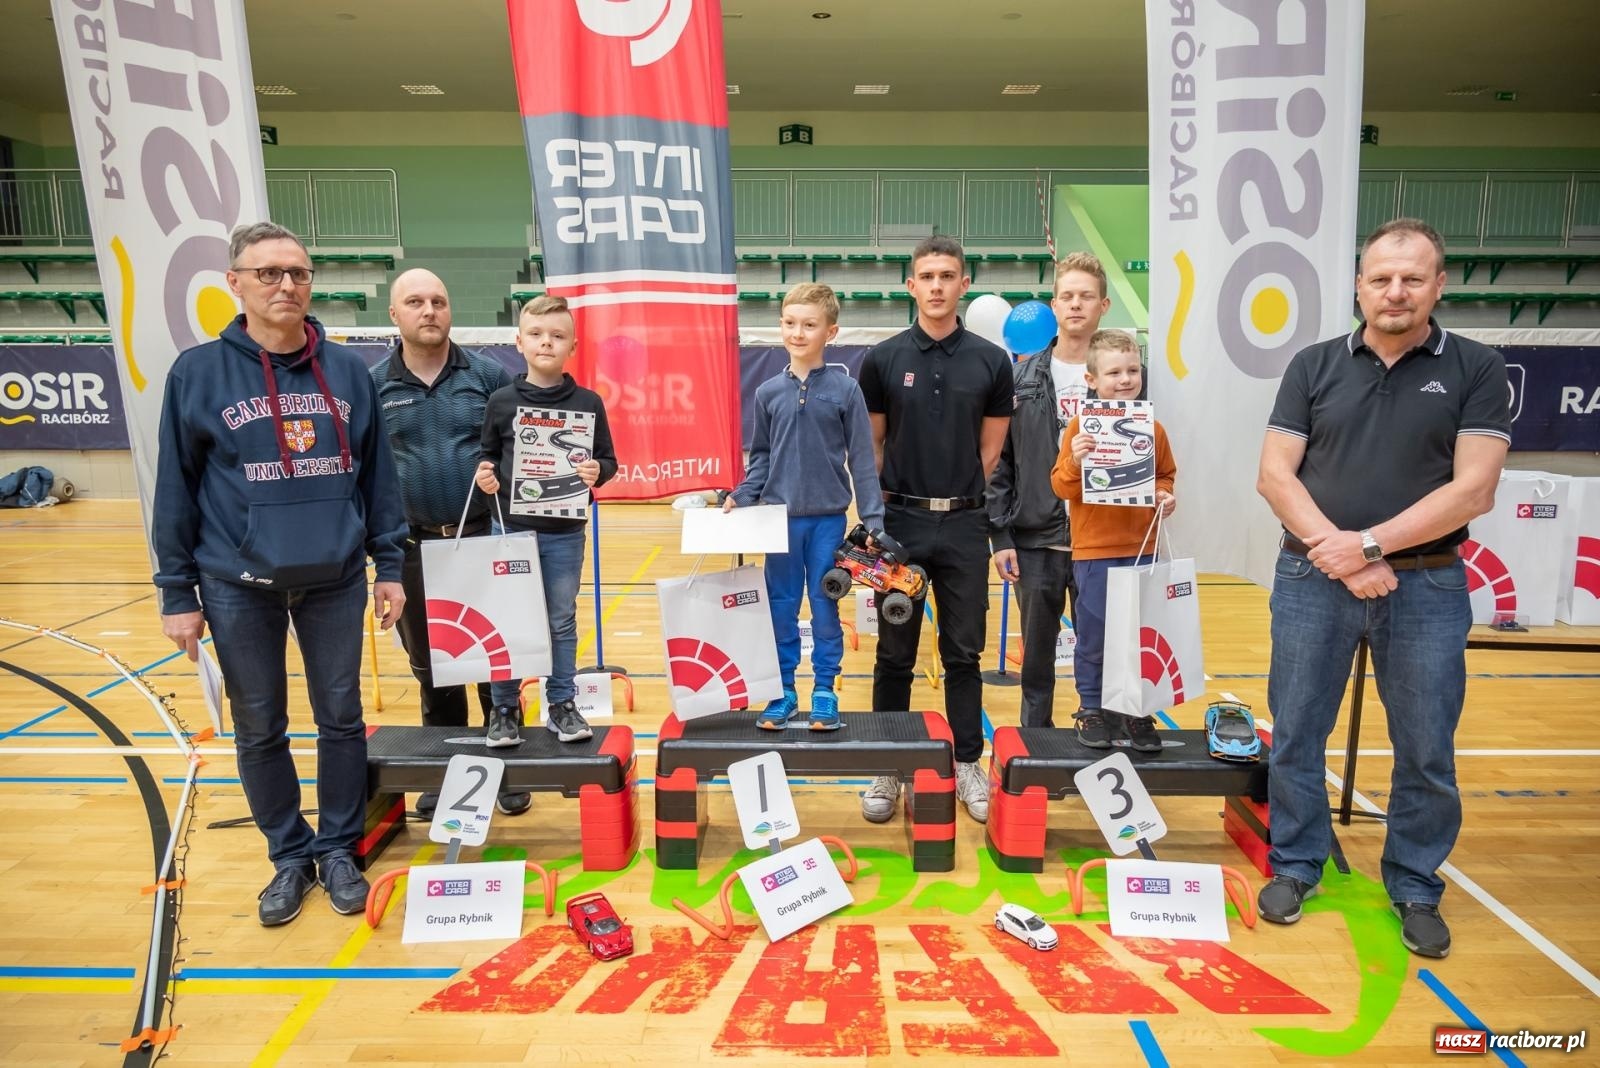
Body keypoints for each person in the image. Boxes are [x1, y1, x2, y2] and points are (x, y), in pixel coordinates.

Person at [1255, 218, 1509, 959]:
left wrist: (1368, 545)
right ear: (1359, 284)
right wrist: (1340, 556)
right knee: (1297, 731)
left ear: (1439, 284)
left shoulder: (1476, 367)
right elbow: (1275, 475)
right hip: (1311, 576)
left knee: (1426, 745)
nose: (1394, 291)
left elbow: (1475, 490)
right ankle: (1297, 863)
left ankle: (1415, 883)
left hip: (1425, 586)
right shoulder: (1312, 364)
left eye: (1412, 278)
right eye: (1380, 278)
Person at [152, 221, 408, 927]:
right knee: (259, 726)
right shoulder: (198, 373)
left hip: (334, 578)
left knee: (342, 720)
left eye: (297, 273)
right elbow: (174, 486)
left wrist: (390, 564)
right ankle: (288, 857)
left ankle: (337, 851)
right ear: (234, 284)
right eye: (268, 273)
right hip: (237, 583)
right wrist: (177, 591)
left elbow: (378, 478)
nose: (286, 285)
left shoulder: (350, 371)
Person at [856, 236, 1012, 824]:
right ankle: (888, 764)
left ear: (964, 284)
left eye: (949, 275)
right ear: (911, 286)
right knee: (893, 654)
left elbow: (990, 453)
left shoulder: (991, 362)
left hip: (966, 526)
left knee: (963, 653)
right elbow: (872, 446)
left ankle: (968, 762)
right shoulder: (883, 358)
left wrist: (958, 497)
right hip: (899, 525)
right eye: (928, 276)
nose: (938, 285)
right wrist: (886, 515)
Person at [370, 268, 524, 816]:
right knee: (433, 669)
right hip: (411, 547)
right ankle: (447, 770)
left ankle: (504, 772)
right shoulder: (373, 385)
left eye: (438, 300)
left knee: (493, 661)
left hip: (483, 538)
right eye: (415, 301)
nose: (429, 310)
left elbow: (518, 451)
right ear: (395, 315)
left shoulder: (486, 375)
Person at [725, 282, 885, 731]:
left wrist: (872, 519)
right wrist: (743, 495)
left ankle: (824, 690)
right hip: (776, 523)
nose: (799, 332)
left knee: (825, 605)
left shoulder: (846, 390)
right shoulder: (767, 392)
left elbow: (863, 460)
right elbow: (760, 457)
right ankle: (783, 690)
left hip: (828, 523)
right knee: (780, 605)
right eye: (791, 323)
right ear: (781, 327)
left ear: (830, 332)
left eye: (810, 325)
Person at [474, 295, 617, 750]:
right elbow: (488, 456)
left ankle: (561, 704)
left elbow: (608, 461)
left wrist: (598, 471)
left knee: (560, 620)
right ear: (519, 342)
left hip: (564, 534)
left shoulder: (589, 403)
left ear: (573, 345)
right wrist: (485, 474)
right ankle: (503, 709)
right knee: (508, 621)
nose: (546, 342)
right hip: (511, 531)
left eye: (557, 335)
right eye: (536, 334)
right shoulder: (501, 402)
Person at [987, 252, 1112, 728]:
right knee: (1036, 659)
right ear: (1053, 306)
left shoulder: (1123, 378)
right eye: (1066, 296)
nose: (1075, 305)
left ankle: (1098, 730)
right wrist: (999, 537)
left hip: (1101, 542)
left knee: (1101, 650)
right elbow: (999, 464)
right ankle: (1034, 744)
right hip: (1036, 539)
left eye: (1085, 296)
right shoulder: (1019, 379)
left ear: (1103, 304)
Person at [1049, 330, 1177, 752]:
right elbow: (1060, 487)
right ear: (1091, 380)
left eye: (1133, 370)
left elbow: (1165, 475)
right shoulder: (1079, 430)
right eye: (1114, 372)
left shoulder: (1152, 429)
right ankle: (1091, 707)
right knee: (1095, 634)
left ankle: (1136, 710)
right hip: (1095, 552)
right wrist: (1075, 459)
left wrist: (1163, 494)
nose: (1125, 379)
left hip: (1141, 550)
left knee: (1139, 635)